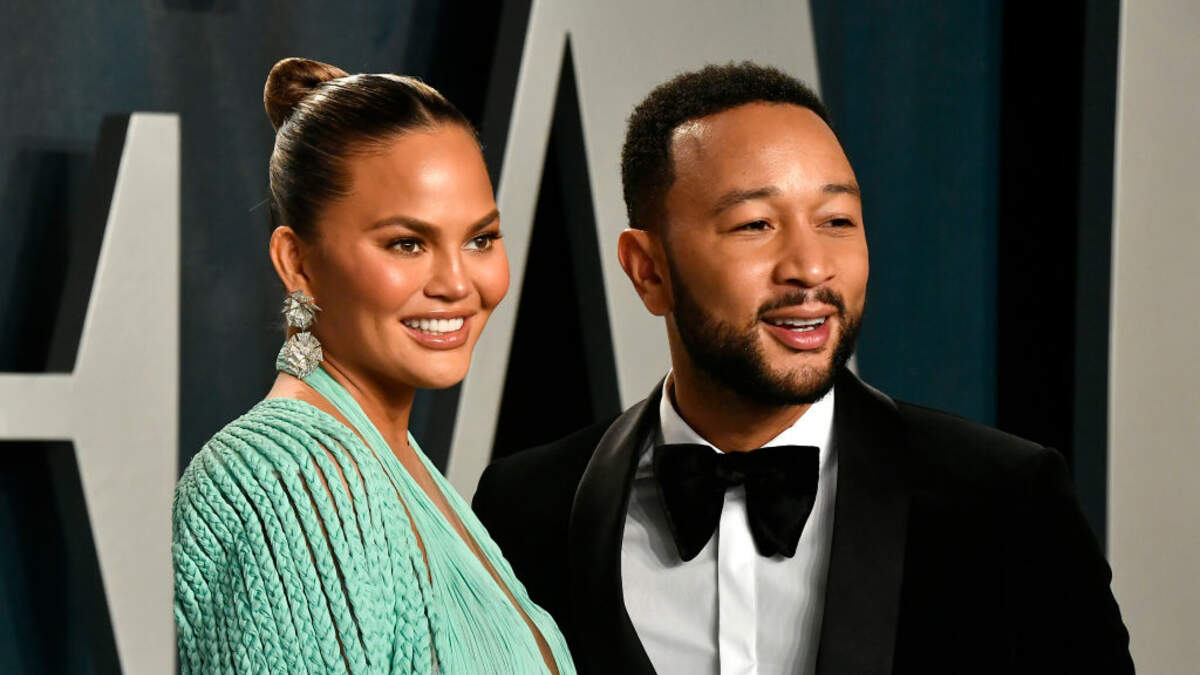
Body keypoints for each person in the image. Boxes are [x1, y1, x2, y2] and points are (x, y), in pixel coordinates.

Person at [472, 62, 1133, 674]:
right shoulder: (527, 508)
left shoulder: (1009, 502)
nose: (811, 268)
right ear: (648, 270)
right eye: (755, 225)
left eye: (837, 220)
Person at [172, 58, 573, 674]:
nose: (457, 283)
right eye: (407, 244)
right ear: (298, 262)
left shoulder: (390, 461)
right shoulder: (294, 480)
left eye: (480, 239)